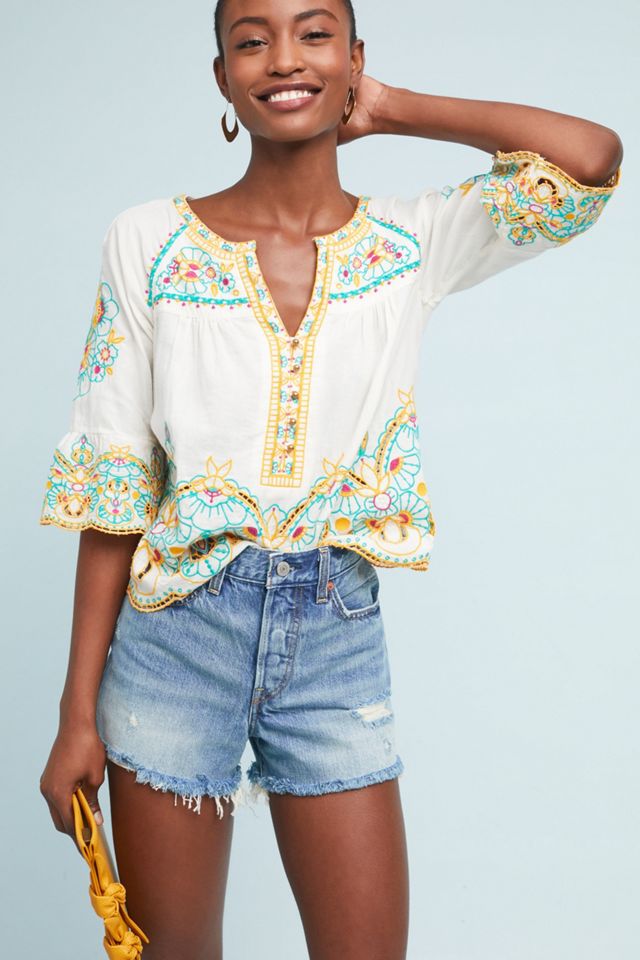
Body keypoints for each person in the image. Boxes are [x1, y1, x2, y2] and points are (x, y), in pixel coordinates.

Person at [38, 1, 622, 957]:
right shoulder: (147, 241)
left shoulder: (410, 242)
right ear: (222, 77)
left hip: (335, 639)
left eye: (313, 34)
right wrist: (74, 718)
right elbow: (114, 486)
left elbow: (589, 161)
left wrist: (389, 107)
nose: (282, 59)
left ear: (353, 58)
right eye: (251, 40)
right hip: (175, 640)